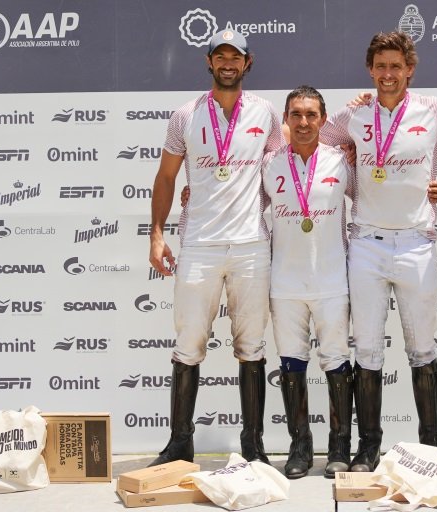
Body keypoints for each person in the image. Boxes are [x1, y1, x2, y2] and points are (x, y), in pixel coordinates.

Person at [319, 31, 437, 471]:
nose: (387, 75)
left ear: (410, 69)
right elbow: (314, 139)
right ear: (370, 69)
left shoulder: (433, 110)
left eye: (395, 66)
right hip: (366, 243)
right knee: (367, 350)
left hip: (417, 243)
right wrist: (346, 151)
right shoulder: (355, 113)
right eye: (380, 66)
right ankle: (368, 447)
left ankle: (431, 449)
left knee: (422, 350)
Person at [147, 29, 283, 467]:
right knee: (188, 345)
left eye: (235, 56)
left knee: (252, 346)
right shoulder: (184, 115)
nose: (227, 63)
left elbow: (282, 170)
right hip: (199, 245)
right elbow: (167, 177)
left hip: (250, 246)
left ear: (248, 63)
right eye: (219, 56)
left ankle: (253, 444)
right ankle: (180, 443)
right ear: (209, 62)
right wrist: (156, 234)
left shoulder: (266, 113)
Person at [262, 85, 355, 479]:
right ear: (285, 119)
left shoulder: (342, 162)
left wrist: (430, 190)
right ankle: (299, 448)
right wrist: (190, 194)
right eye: (296, 114)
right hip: (284, 284)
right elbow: (235, 199)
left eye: (311, 115)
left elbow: (383, 195)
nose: (303, 122)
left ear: (323, 119)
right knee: (291, 364)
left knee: (336, 362)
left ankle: (339, 448)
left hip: (333, 280)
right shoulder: (267, 164)